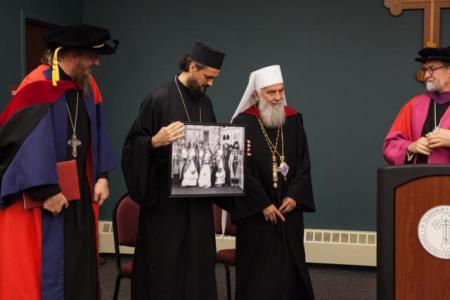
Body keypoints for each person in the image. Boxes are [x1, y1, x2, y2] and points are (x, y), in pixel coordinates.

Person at [0, 24, 117, 300]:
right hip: (47, 198)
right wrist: (47, 191)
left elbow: (99, 130)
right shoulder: (37, 85)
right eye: (92, 56)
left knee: (80, 266)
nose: (97, 63)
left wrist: (102, 175)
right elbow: (22, 144)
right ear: (72, 55)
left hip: (80, 193)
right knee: (49, 272)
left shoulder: (88, 86)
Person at [121, 42, 225, 299]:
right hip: (165, 209)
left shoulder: (206, 103)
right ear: (192, 67)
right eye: (207, 77)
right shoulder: (157, 100)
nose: (210, 83)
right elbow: (132, 147)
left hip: (198, 208)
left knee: (198, 269)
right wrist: (155, 141)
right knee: (165, 272)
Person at [231, 65, 315, 299]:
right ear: (257, 94)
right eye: (271, 92)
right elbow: (239, 170)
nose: (278, 98)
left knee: (291, 273)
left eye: (281, 91)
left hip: (289, 212)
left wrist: (295, 196)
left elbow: (303, 164)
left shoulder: (293, 120)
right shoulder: (243, 123)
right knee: (260, 277)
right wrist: (262, 204)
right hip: (257, 215)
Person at [384, 46, 450, 165]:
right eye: (425, 70)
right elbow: (390, 146)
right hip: (417, 182)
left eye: (432, 69)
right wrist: (410, 147)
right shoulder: (413, 106)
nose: (426, 76)